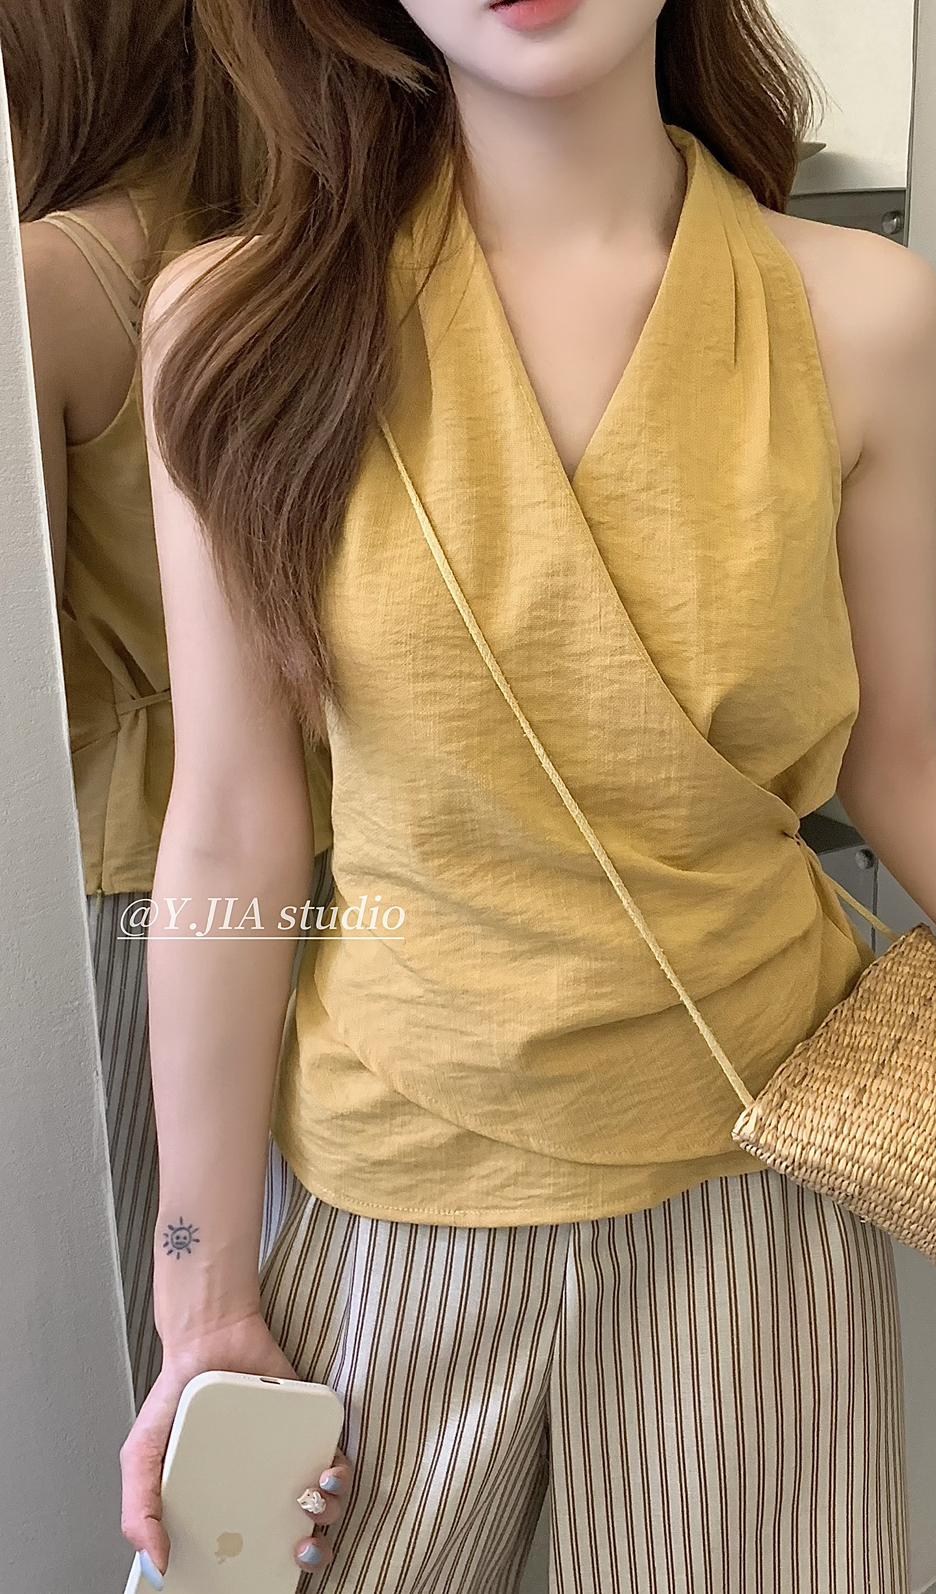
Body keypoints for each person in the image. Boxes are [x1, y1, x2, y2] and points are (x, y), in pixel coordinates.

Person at [119, 2, 936, 1589]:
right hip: (398, 1190)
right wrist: (197, 1290)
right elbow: (230, 825)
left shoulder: (863, 316)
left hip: (755, 1187)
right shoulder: (241, 322)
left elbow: (893, 756)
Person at [4, 0, 333, 1410]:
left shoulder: (53, 276)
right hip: (338, 842)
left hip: (133, 877)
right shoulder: (307, 254)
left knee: (156, 1324)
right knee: (311, 1293)